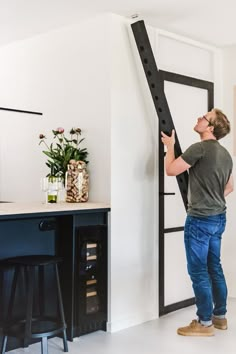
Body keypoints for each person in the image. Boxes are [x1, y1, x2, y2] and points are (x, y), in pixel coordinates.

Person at [161, 108, 234, 336]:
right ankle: (219, 318)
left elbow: (171, 170)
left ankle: (204, 324)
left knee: (199, 271)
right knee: (215, 268)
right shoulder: (225, 154)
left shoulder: (200, 148)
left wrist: (169, 146)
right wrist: (212, 198)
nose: (199, 118)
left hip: (200, 220)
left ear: (210, 128)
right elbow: (230, 186)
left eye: (204, 118)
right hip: (218, 218)